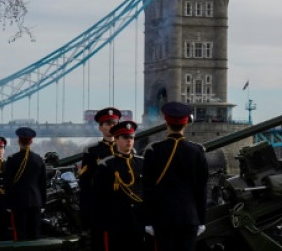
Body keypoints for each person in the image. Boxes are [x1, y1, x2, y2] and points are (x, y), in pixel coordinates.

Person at [143, 102, 208, 251]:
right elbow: (201, 190)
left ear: (167, 123)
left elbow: (148, 190)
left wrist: (148, 220)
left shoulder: (153, 151)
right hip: (189, 218)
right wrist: (201, 220)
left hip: (162, 218)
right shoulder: (197, 151)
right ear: (186, 124)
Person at [93, 121, 146, 251]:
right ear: (116, 139)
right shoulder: (106, 166)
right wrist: (100, 226)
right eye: (125, 137)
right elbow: (99, 199)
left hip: (139, 222)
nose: (129, 140)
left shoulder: (142, 163)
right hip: (116, 223)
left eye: (131, 137)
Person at [79, 106, 121, 239]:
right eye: (108, 124)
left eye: (115, 123)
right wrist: (85, 215)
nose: (112, 126)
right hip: (102, 208)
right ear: (100, 127)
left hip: (122, 208)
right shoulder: (92, 151)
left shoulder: (127, 150)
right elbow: (85, 184)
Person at [4, 127, 47, 241]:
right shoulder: (39, 159)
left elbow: (8, 184)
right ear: (31, 141)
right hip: (36, 202)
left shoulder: (12, 159)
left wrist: (8, 203)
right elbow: (43, 184)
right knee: (34, 235)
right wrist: (43, 203)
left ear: (18, 141)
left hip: (18, 202)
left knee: (20, 235)